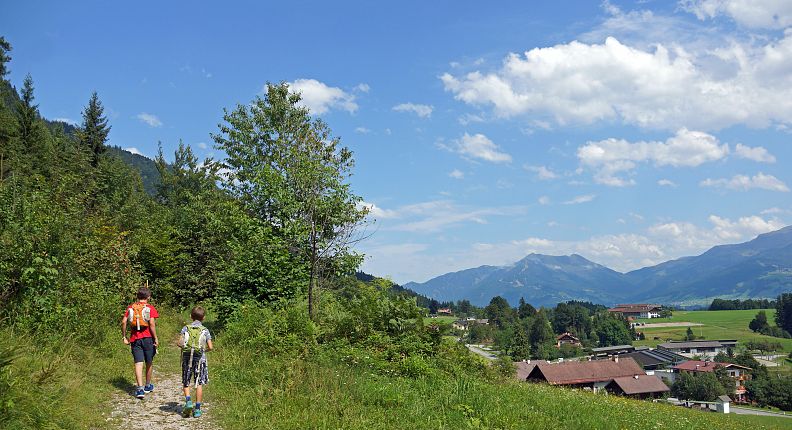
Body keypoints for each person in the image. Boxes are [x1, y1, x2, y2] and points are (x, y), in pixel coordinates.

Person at [121, 286, 159, 399]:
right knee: (149, 361)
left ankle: (139, 389)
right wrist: (155, 338)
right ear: (148, 297)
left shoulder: (130, 307)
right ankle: (147, 385)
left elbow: (123, 322)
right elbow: (151, 324)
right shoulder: (150, 308)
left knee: (138, 362)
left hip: (135, 338)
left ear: (137, 296)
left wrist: (124, 336)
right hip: (148, 338)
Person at [179, 306, 213, 418]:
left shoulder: (185, 328)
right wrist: (203, 350)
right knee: (199, 383)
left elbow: (180, 343)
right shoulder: (205, 330)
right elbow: (210, 347)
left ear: (191, 317)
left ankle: (188, 401)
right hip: (200, 359)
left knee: (186, 381)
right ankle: (197, 409)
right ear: (203, 318)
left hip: (187, 358)